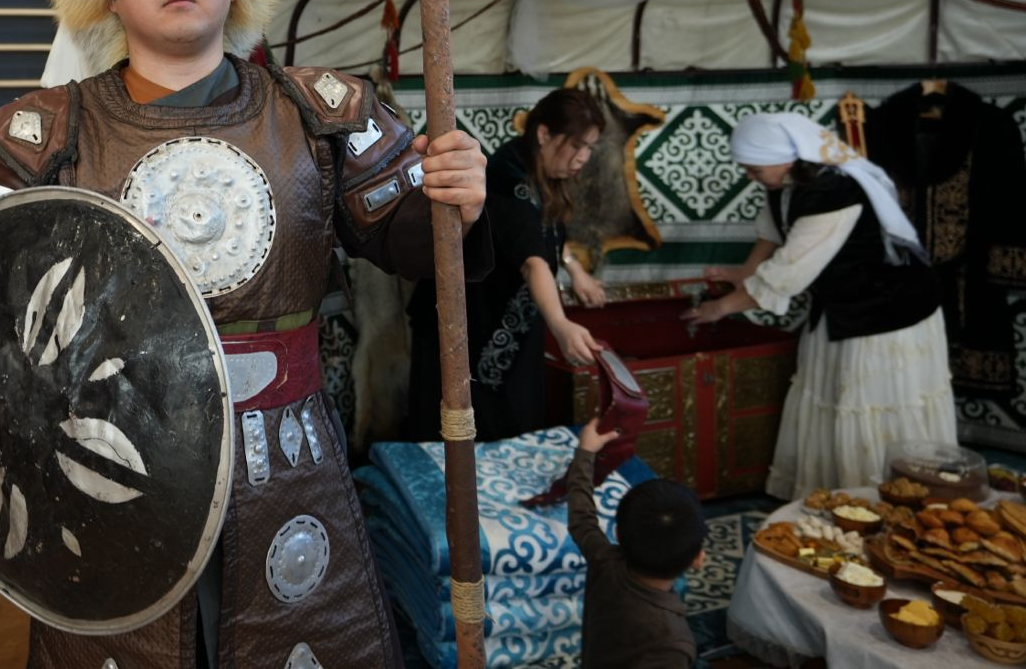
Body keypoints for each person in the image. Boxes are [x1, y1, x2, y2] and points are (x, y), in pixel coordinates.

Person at [0, 0, 493, 669]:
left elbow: (416, 245)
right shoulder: (38, 140)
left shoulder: (322, 114)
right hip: (104, 471)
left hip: (289, 471)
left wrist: (457, 200)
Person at [683, 112, 955, 498]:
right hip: (844, 304)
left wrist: (719, 308)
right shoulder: (786, 183)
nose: (749, 177)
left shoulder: (833, 193)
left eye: (754, 169)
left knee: (871, 403)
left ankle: (877, 499)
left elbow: (786, 273)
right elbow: (771, 234)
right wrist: (743, 272)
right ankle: (838, 497)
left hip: (888, 313)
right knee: (836, 398)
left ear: (785, 158)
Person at [405, 87, 610, 442]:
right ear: (544, 134)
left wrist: (575, 270)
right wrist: (560, 324)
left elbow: (545, 235)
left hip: (506, 325)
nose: (583, 157)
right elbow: (533, 262)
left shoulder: (537, 170)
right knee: (469, 428)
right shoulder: (509, 181)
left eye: (590, 147)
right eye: (577, 145)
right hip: (471, 328)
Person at [568, 417, 703, 669]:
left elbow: (581, 518)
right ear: (698, 558)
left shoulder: (605, 561)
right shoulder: (672, 643)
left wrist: (586, 452)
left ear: (618, 534)